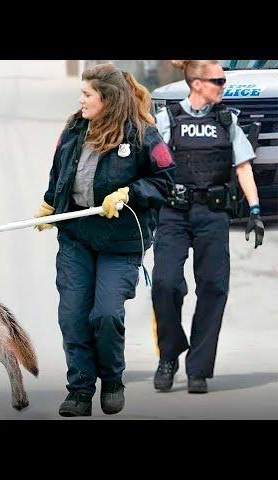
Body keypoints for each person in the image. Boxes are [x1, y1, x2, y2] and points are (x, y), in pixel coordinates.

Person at [34, 63, 175, 416]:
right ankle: (80, 390)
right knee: (73, 315)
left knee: (106, 315)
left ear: (108, 98)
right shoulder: (73, 129)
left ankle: (112, 379)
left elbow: (166, 180)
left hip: (121, 241)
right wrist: (51, 203)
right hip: (77, 236)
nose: (80, 100)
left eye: (87, 94)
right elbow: (60, 170)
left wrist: (130, 192)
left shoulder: (143, 135)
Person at [151, 60, 264, 394]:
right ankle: (169, 354)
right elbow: (150, 165)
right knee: (165, 284)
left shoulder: (226, 120)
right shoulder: (167, 119)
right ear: (197, 83)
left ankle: (198, 368)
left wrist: (255, 210)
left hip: (213, 214)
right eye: (218, 80)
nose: (223, 86)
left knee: (214, 288)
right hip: (174, 213)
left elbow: (243, 168)